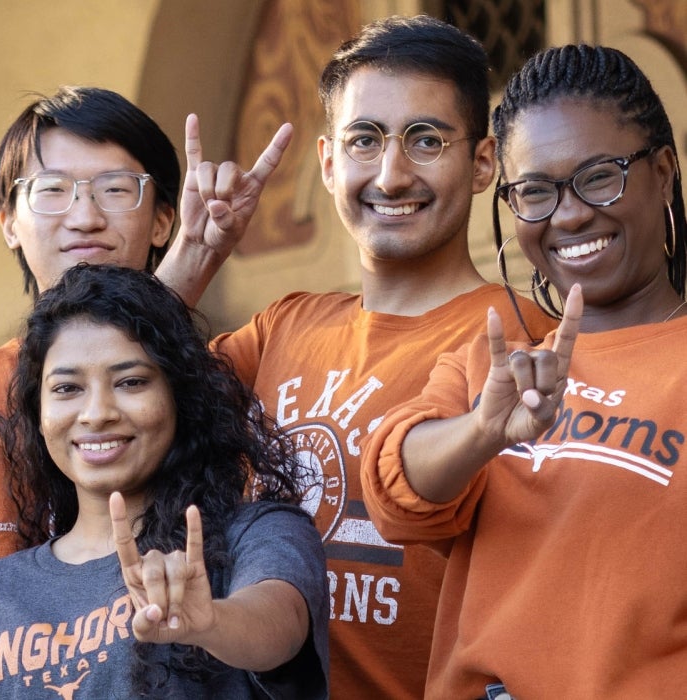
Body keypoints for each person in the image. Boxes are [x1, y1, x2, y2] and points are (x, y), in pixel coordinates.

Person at [176, 15, 557, 699]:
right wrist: (191, 262)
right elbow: (111, 390)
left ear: (483, 163)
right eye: (364, 140)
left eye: (426, 140)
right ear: (328, 164)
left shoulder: (527, 339)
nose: (391, 172)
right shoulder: (281, 328)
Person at [361, 43, 687, 699]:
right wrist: (483, 431)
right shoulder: (498, 361)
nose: (567, 216)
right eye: (535, 192)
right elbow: (393, 495)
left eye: (599, 177)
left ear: (662, 172)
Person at [0, 263, 329, 698]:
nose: (97, 413)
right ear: (38, 414)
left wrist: (212, 622)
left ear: (180, 397)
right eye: (68, 388)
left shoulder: (257, 533)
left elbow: (280, 623)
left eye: (130, 382)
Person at [0, 85, 290, 559]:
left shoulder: (221, 379)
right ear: (8, 222)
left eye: (114, 190)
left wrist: (197, 252)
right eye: (52, 190)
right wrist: (189, 262)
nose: (85, 217)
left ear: (163, 221)